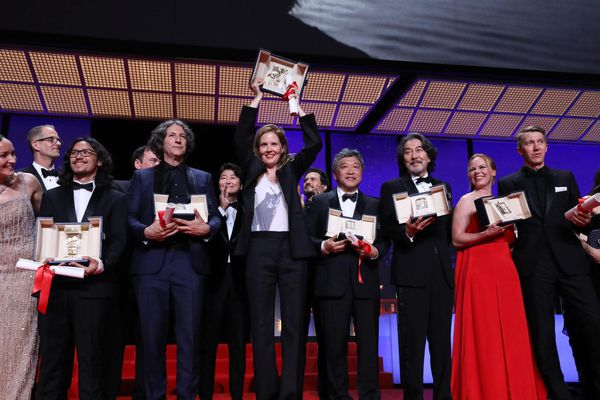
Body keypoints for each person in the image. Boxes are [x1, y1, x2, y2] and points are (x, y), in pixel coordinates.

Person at [233, 78, 322, 399]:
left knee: (294, 327)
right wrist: (256, 99)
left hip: (292, 251)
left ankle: (289, 394)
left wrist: (295, 106)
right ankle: (267, 393)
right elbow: (240, 136)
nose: (269, 149)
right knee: (260, 326)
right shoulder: (250, 169)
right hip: (258, 250)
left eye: (274, 144)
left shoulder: (292, 169)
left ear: (283, 148)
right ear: (258, 151)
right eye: (264, 145)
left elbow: (313, 144)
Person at [498, 125, 600, 400]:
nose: (536, 146)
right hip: (532, 265)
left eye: (540, 141)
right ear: (520, 150)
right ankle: (558, 394)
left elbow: (582, 217)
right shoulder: (508, 183)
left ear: (547, 146)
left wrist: (585, 219)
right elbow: (507, 223)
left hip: (570, 260)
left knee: (594, 323)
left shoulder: (565, 177)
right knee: (542, 336)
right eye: (529, 143)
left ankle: (595, 387)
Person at [128, 119, 220, 400]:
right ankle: (154, 396)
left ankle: (185, 395)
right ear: (161, 141)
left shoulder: (202, 178)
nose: (178, 139)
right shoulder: (143, 177)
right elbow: (128, 219)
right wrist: (147, 231)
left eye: (183, 136)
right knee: (151, 339)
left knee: (190, 338)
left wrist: (207, 229)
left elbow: (215, 217)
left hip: (189, 264)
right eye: (172, 135)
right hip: (151, 263)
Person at [36, 137, 128, 399]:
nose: (78, 156)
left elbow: (120, 242)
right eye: (74, 153)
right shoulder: (52, 196)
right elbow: (45, 234)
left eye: (86, 152)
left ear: (99, 159)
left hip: (94, 290)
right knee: (53, 363)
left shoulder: (116, 198)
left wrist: (100, 264)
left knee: (92, 362)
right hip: (56, 290)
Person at [450, 153, 546, 399]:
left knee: (511, 327)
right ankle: (486, 389)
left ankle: (516, 388)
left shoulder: (507, 201)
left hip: (504, 268)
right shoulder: (465, 201)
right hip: (477, 269)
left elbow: (514, 239)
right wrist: (486, 234)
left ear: (493, 171)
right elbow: (457, 239)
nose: (477, 172)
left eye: (482, 167)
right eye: (472, 169)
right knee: (484, 329)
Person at [305, 148, 386, 400]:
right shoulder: (319, 202)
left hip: (366, 284)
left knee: (369, 346)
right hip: (330, 285)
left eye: (356, 167)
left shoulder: (375, 204)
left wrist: (374, 252)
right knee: (332, 347)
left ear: (361, 172)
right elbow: (305, 239)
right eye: (345, 167)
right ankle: (336, 396)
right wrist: (323, 246)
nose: (351, 171)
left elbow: (384, 242)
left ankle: (369, 395)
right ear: (335, 173)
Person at [379, 132, 453, 400]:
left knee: (442, 343)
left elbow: (447, 231)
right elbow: (387, 228)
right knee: (411, 344)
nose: (414, 155)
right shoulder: (391, 187)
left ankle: (444, 395)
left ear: (428, 156)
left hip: (442, 275)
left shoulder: (443, 186)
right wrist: (407, 232)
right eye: (408, 151)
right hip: (411, 273)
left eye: (418, 150)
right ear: (403, 159)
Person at [108, 144, 160, 400]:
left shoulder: (163, 193)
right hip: (116, 274)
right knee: (112, 337)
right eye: (152, 161)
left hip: (150, 272)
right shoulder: (118, 188)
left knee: (148, 336)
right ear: (137, 165)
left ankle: (144, 392)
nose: (157, 165)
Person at [199, 163, 250, 400]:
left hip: (240, 284)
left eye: (232, 177)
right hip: (213, 283)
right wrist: (220, 209)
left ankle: (237, 394)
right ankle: (205, 393)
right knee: (207, 345)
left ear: (240, 185)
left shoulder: (249, 210)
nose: (227, 181)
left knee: (238, 346)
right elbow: (204, 241)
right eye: (223, 178)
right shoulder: (207, 210)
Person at [0, 134, 43, 398]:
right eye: (4, 155)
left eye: (13, 153)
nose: (13, 160)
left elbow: (49, 223)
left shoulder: (29, 183)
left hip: (25, 278)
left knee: (20, 345)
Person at [19, 124, 62, 192]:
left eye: (58, 140)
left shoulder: (66, 177)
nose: (59, 143)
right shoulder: (20, 177)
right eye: (51, 139)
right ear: (36, 145)